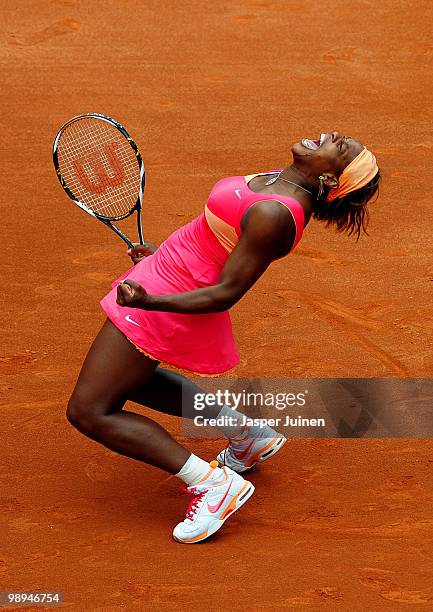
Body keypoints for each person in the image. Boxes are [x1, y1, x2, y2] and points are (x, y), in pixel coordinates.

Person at [66, 131, 380, 543]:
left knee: (89, 411)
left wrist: (151, 301)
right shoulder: (280, 180)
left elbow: (226, 292)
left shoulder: (275, 212)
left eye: (339, 148)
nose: (332, 136)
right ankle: (248, 435)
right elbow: (217, 238)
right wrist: (163, 254)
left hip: (168, 300)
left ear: (329, 181)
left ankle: (213, 485)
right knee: (132, 379)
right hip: (163, 277)